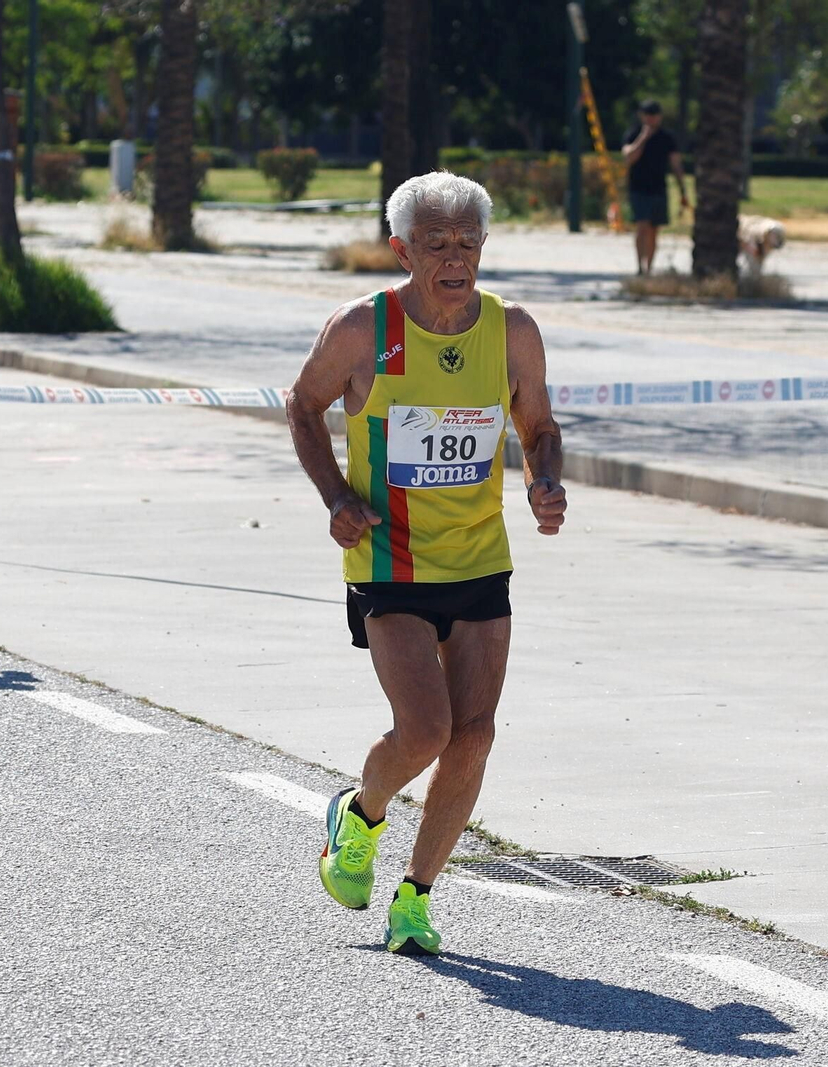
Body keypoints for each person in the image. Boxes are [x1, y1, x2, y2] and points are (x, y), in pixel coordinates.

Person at [286, 172, 567, 956]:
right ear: (401, 249)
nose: (455, 259)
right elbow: (302, 405)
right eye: (436, 245)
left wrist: (546, 477)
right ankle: (360, 812)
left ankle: (415, 896)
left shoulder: (513, 331)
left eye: (468, 244)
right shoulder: (362, 329)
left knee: (473, 736)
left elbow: (539, 424)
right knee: (427, 728)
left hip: (479, 556)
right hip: (390, 558)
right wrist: (335, 494)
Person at [620, 100, 688, 275]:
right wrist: (643, 138)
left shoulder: (667, 138)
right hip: (638, 188)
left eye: (654, 116)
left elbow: (676, 165)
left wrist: (683, 190)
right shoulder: (633, 133)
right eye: (647, 116)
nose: (651, 119)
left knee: (653, 230)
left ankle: (648, 267)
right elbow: (628, 158)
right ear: (642, 116)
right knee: (641, 226)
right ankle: (639, 267)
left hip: (658, 188)